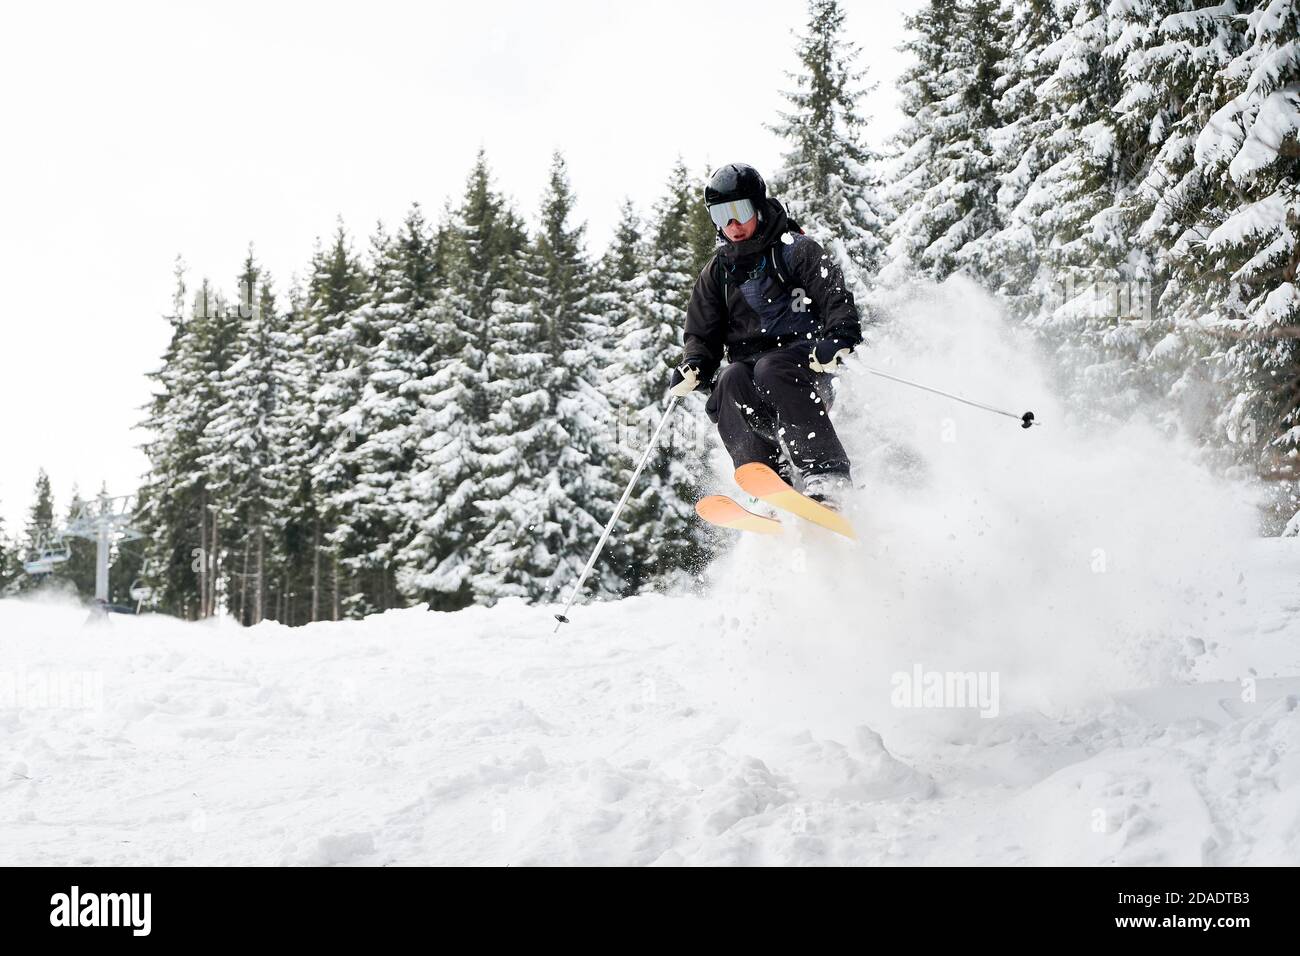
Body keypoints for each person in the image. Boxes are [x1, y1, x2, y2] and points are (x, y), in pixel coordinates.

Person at [669, 162, 863, 506]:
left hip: (806, 370)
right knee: (729, 379)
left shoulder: (795, 249)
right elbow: (702, 332)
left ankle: (827, 473)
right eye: (720, 215)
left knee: (770, 367)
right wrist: (696, 364)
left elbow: (834, 295)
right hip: (753, 386)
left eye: (739, 211)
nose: (733, 225)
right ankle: (769, 483)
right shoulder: (717, 273)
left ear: (757, 206)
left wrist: (839, 337)